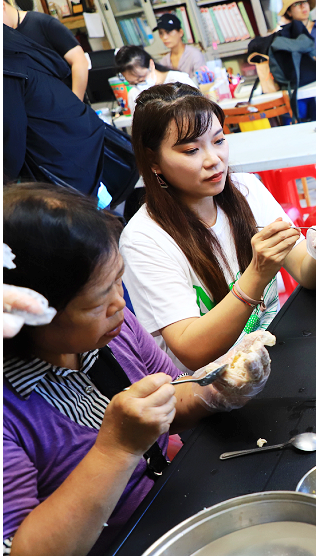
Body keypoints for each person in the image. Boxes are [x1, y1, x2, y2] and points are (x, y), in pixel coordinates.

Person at [2, 183, 272, 555]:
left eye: (119, 282)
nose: (119, 305)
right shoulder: (10, 411)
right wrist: (115, 450)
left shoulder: (112, 330)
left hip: (176, 498)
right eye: (98, 300)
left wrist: (218, 389)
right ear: (29, 313)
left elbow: (174, 394)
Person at [119, 83, 316, 372]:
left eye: (218, 141)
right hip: (213, 391)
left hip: (274, 358)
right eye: (192, 149)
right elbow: (192, 352)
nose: (213, 160)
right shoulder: (144, 239)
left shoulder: (247, 190)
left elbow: (308, 274)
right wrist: (256, 274)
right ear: (154, 160)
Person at [3, 25, 104, 198]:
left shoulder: (7, 67)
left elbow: (11, 139)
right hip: (80, 153)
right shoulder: (15, 46)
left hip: (63, 173)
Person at [2, 0, 89, 100]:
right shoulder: (6, 39)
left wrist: (76, 101)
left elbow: (79, 61)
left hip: (68, 104)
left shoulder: (42, 22)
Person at [115, 45, 196, 116]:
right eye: (132, 83)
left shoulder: (177, 79)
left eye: (141, 79)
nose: (139, 85)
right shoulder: (134, 93)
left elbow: (199, 108)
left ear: (151, 64)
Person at [154, 12, 207, 78]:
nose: (164, 37)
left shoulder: (194, 55)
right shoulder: (163, 61)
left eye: (168, 32)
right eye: (161, 33)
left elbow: (202, 81)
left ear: (180, 32)